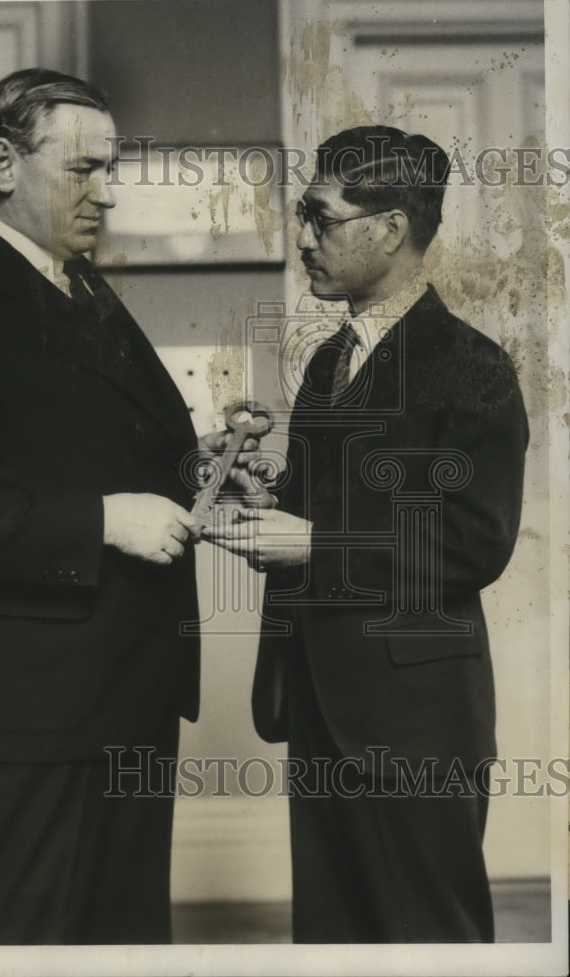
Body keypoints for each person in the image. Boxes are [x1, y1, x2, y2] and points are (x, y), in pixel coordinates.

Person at [0, 67, 250, 946]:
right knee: (24, 944)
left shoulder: (71, 281)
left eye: (110, 168)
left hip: (120, 690)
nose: (106, 193)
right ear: (4, 164)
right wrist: (106, 520)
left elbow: (72, 443)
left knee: (118, 943)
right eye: (83, 169)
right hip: (34, 710)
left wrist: (192, 465)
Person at [208, 126, 529, 943]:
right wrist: (265, 491)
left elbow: (473, 541)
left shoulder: (473, 367)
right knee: (333, 941)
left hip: (413, 726)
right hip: (321, 708)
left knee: (429, 942)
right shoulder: (330, 364)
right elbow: (338, 505)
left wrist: (316, 546)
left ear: (389, 229)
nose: (302, 238)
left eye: (321, 217)